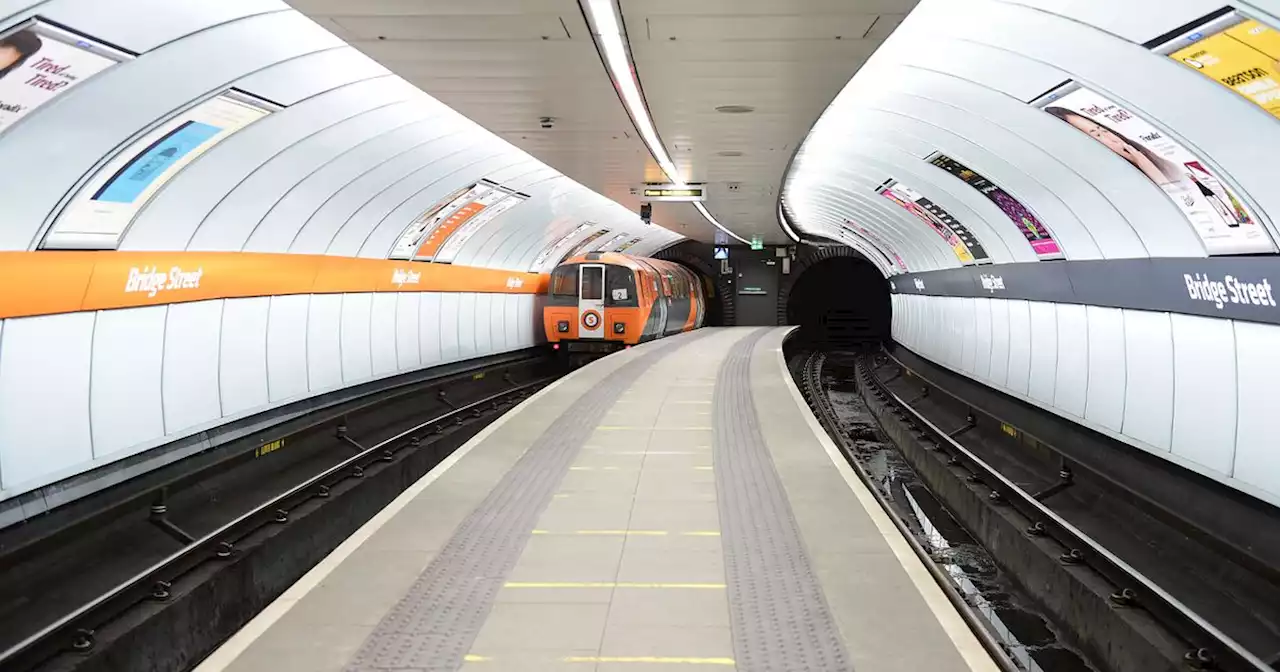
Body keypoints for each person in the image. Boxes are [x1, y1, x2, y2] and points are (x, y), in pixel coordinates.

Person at [1044, 106, 1184, 185]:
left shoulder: (1159, 158)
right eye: (1097, 135)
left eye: (1103, 130)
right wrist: (1143, 163)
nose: (1111, 138)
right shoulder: (1115, 182)